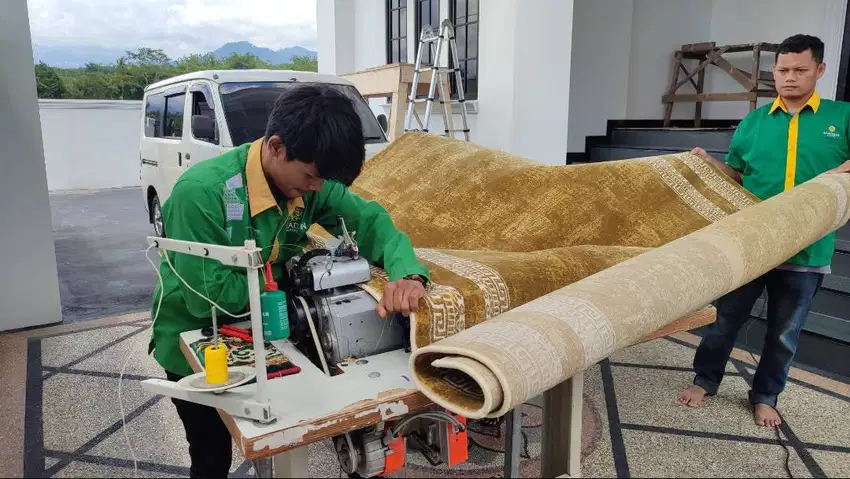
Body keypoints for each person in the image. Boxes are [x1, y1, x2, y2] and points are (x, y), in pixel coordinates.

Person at [147, 84, 431, 477]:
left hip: (274, 325)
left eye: (323, 181)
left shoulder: (310, 183)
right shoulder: (202, 194)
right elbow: (206, 299)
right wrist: (290, 276)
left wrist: (408, 274)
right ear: (276, 146)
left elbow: (370, 221)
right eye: (312, 177)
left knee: (293, 429)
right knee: (212, 454)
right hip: (196, 339)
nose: (316, 189)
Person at [679, 34, 850, 428]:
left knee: (784, 333)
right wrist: (708, 164)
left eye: (800, 70)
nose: (790, 77)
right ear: (774, 71)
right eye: (783, 70)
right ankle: (706, 379)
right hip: (752, 245)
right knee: (724, 320)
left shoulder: (840, 118)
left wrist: (836, 173)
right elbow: (737, 175)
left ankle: (766, 395)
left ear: (819, 70)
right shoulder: (755, 122)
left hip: (807, 250)